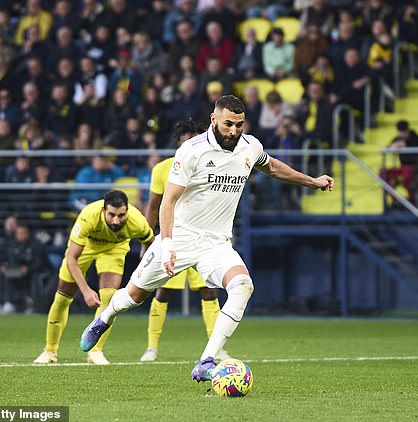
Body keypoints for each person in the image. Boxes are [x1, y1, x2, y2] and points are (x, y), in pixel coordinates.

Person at [79, 95, 333, 381]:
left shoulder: (250, 146)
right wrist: (169, 243)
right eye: (228, 124)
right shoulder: (191, 151)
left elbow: (272, 166)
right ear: (214, 120)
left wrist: (311, 180)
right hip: (180, 237)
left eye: (239, 124)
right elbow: (168, 201)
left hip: (216, 243)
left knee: (242, 286)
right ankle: (104, 318)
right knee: (134, 296)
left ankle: (206, 360)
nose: (234, 131)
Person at [139, 119, 230, 363]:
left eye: (195, 137)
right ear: (178, 142)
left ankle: (216, 348)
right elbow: (154, 206)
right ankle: (152, 347)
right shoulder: (162, 169)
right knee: (163, 292)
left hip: (204, 238)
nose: (191, 142)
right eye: (185, 138)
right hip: (176, 238)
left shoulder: (211, 165)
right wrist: (146, 241)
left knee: (209, 291)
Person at [33, 190, 154, 365]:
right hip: (86, 248)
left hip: (114, 248)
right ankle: (50, 351)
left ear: (127, 211)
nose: (116, 220)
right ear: (103, 210)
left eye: (121, 215)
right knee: (63, 297)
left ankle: (96, 351)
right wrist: (86, 291)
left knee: (108, 298)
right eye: (111, 214)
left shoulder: (137, 221)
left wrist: (145, 261)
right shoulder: (88, 216)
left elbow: (150, 242)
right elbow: (72, 259)